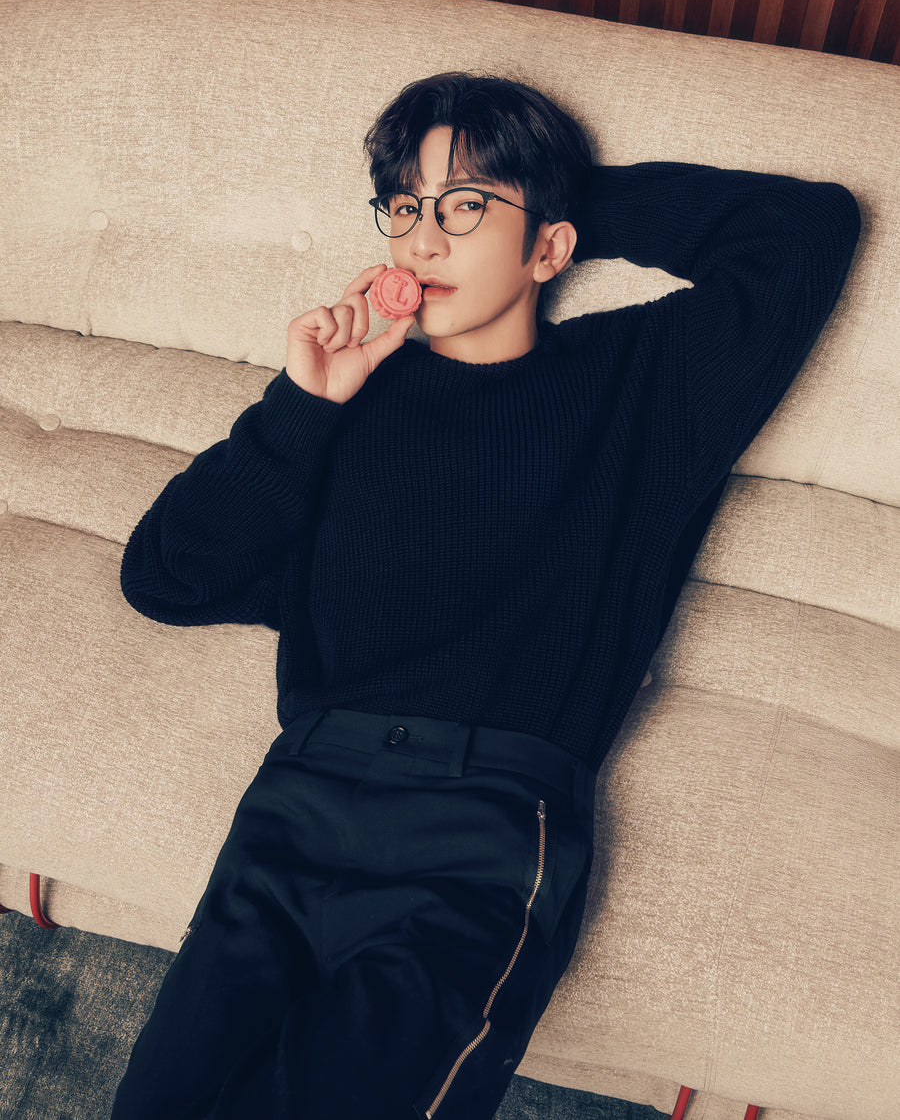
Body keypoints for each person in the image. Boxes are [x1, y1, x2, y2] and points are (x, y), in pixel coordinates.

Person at [111, 72, 859, 1119]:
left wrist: (559, 203)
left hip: (485, 827)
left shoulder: (644, 384)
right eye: (404, 207)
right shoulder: (346, 402)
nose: (423, 241)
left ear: (552, 249)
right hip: (295, 800)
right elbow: (164, 580)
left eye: (464, 206)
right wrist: (303, 404)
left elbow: (805, 231)